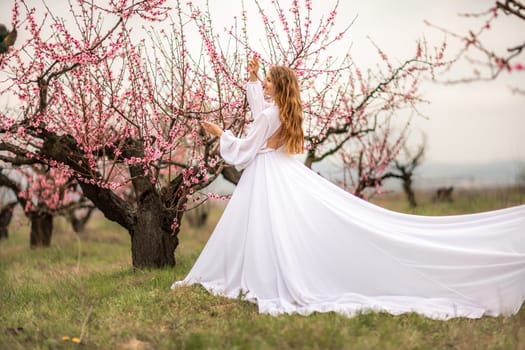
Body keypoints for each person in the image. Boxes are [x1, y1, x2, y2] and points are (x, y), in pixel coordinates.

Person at [172, 57, 525, 320]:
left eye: (266, 82)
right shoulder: (283, 110)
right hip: (281, 172)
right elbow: (261, 116)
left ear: (277, 87)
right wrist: (250, 81)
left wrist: (221, 135)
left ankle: (263, 278)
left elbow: (247, 148)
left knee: (268, 230)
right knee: (275, 230)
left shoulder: (269, 114)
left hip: (266, 174)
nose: (263, 85)